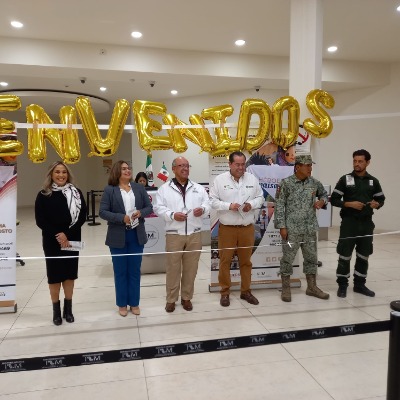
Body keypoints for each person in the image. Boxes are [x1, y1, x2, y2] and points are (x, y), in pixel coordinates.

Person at [153, 156, 210, 313]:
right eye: (181, 165)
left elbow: (208, 204)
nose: (185, 168)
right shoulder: (164, 189)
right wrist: (172, 215)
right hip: (174, 235)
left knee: (191, 269)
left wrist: (203, 210)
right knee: (173, 268)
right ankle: (171, 300)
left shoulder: (198, 188)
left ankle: (186, 298)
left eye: (187, 165)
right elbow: (158, 208)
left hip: (195, 234)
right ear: (173, 169)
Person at [35, 161, 87, 325]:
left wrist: (67, 235)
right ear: (51, 174)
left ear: (68, 174)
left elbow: (82, 217)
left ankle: (68, 310)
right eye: (57, 172)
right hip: (52, 241)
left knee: (70, 274)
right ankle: (56, 311)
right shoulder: (43, 195)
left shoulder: (76, 193)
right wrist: (58, 236)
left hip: (72, 239)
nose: (61, 175)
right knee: (54, 276)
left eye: (64, 172)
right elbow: (40, 221)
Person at [209, 151, 263, 307]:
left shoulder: (252, 179)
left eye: (243, 164)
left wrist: (251, 205)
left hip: (247, 228)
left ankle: (246, 291)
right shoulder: (220, 180)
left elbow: (260, 198)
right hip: (227, 228)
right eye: (237, 164)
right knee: (225, 261)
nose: (241, 167)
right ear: (230, 164)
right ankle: (225, 292)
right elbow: (212, 201)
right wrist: (229, 206)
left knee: (246, 262)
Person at [99, 161, 153, 316]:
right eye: (124, 169)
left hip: (136, 235)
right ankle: (122, 304)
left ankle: (134, 303)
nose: (127, 170)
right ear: (117, 171)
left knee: (135, 271)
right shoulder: (110, 190)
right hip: (117, 236)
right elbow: (102, 212)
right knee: (120, 271)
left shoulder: (139, 188)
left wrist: (140, 213)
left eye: (129, 168)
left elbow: (149, 207)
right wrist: (121, 218)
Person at [274, 154, 329, 302]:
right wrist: (282, 226)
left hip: (309, 228)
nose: (310, 168)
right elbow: (279, 206)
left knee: (311, 258)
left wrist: (322, 201)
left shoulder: (314, 183)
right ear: (298, 167)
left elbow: (324, 194)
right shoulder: (286, 183)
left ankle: (312, 287)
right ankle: (286, 288)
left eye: (311, 165)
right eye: (307, 165)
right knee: (287, 259)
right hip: (291, 230)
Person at [331, 149, 385, 298]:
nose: (357, 164)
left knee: (364, 254)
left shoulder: (373, 181)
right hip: (349, 223)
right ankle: (342, 285)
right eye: (355, 161)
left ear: (367, 162)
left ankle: (360, 285)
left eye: (360, 161)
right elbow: (334, 199)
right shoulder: (345, 179)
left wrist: (377, 204)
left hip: (366, 224)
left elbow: (381, 199)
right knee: (344, 255)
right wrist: (349, 204)